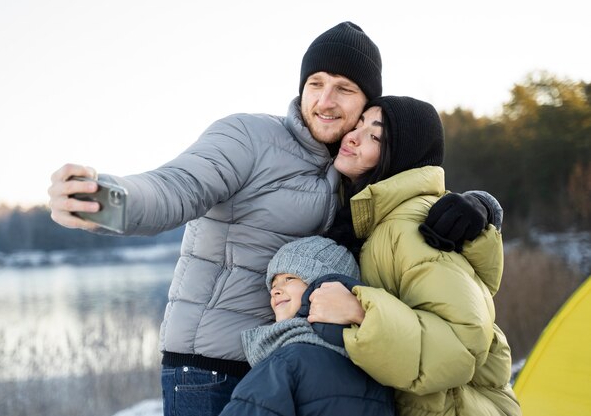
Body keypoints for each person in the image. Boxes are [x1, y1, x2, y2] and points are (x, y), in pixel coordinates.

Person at [47, 22, 492, 416]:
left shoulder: (352, 169)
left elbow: (407, 191)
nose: (325, 100)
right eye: (315, 83)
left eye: (344, 88)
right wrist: (108, 201)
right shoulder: (249, 137)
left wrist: (478, 206)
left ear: (367, 105)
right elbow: (178, 186)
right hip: (211, 368)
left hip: (294, 364)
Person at [310, 95, 522, 415]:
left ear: (401, 157)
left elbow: (462, 346)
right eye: (359, 124)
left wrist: (362, 314)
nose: (353, 135)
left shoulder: (410, 228)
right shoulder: (365, 220)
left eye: (375, 135)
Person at [219, 236, 395, 416]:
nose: (274, 290)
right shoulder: (377, 365)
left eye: (289, 278)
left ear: (324, 286)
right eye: (273, 284)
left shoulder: (287, 362)